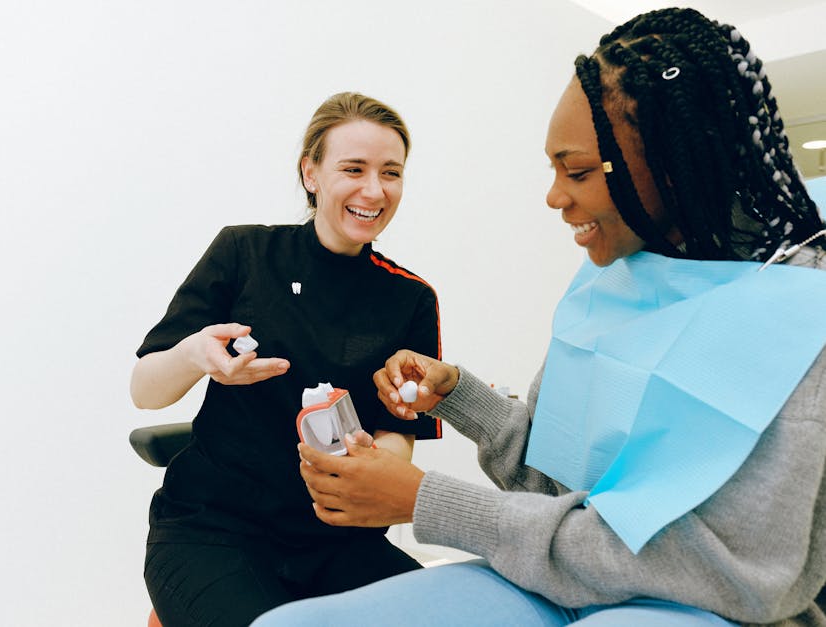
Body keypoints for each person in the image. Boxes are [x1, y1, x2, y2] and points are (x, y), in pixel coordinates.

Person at [251, 8, 826, 627]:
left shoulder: (798, 316)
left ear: (669, 164)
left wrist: (428, 502)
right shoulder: (615, 279)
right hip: (564, 581)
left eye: (576, 171)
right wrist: (460, 397)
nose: (554, 196)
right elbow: (559, 486)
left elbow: (734, 575)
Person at [130, 91, 443, 627]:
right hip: (213, 531)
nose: (374, 190)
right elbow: (145, 391)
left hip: (337, 541)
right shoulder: (244, 253)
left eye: (391, 173)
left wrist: (375, 457)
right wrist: (194, 354)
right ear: (311, 173)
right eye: (353, 168)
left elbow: (398, 437)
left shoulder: (411, 297)